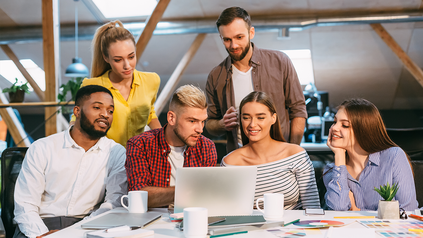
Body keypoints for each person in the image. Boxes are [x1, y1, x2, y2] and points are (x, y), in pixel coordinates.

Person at [13, 85, 127, 238]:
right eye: (97, 107)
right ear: (77, 111)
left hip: (87, 224)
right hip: (39, 224)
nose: (105, 114)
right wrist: (42, 235)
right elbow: (25, 204)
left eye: (110, 110)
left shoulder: (117, 152)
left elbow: (114, 204)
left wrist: (76, 232)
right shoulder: (42, 148)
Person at [206, 7, 307, 153]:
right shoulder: (215, 76)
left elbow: (298, 110)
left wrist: (292, 152)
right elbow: (209, 124)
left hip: (279, 156)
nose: (233, 45)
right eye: (227, 39)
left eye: (239, 37)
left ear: (251, 32)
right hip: (239, 158)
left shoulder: (280, 62)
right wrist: (222, 124)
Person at [222, 91, 320, 210]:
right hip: (250, 228)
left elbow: (313, 209)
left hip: (294, 228)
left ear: (273, 118)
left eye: (260, 117)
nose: (252, 124)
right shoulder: (230, 162)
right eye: (246, 118)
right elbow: (227, 210)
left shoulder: (296, 154)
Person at [72, 20, 161, 147]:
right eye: (118, 60)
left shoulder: (151, 80)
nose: (127, 65)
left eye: (131, 57)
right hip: (105, 158)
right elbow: (77, 122)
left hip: (138, 158)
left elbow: (150, 113)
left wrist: (163, 141)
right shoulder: (92, 86)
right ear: (106, 58)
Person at [125, 85, 217, 208]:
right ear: (171, 118)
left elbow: (207, 197)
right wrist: (191, 190)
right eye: (192, 121)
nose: (200, 129)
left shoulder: (206, 147)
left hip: (191, 217)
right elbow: (139, 196)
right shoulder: (140, 145)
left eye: (203, 121)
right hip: (151, 222)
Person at [323, 98, 418, 211]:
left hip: (389, 229)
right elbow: (337, 209)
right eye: (335, 122)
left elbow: (408, 211)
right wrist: (339, 155)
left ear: (363, 130)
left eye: (345, 125)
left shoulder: (394, 157)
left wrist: (357, 212)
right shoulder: (333, 170)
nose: (334, 128)